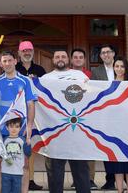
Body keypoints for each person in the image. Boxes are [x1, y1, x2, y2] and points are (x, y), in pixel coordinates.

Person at [0, 50, 36, 193]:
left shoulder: (26, 80)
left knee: (24, 164)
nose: (7, 63)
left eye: (9, 60)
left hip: (21, 129)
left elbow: (31, 104)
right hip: (0, 130)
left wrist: (30, 125)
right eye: (4, 61)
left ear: (15, 61)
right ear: (1, 64)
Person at [41, 50, 90, 193]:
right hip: (55, 134)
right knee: (54, 174)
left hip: (77, 132)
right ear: (53, 60)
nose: (60, 59)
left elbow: (93, 94)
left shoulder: (80, 75)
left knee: (81, 172)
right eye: (57, 57)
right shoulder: (46, 78)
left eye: (63, 56)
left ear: (68, 59)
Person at [102, 57, 128, 193]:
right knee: (117, 163)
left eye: (122, 66)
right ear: (113, 68)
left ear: (126, 68)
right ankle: (120, 190)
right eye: (117, 66)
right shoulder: (109, 85)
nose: (119, 69)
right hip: (115, 130)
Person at [14, 40, 44, 190]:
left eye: (29, 50)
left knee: (29, 146)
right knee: (15, 146)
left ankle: (30, 179)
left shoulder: (40, 70)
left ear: (33, 52)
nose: (27, 53)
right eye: (24, 50)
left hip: (35, 114)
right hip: (16, 114)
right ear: (19, 53)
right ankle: (16, 178)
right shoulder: (13, 69)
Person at [90, 44, 117, 190]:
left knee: (121, 145)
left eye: (108, 52)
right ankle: (110, 179)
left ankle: (125, 179)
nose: (106, 55)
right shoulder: (96, 72)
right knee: (108, 147)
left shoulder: (121, 67)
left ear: (113, 54)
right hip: (104, 114)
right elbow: (94, 92)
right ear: (100, 56)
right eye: (103, 53)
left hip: (120, 114)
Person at [69, 48, 95, 189]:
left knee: (88, 148)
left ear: (84, 60)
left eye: (80, 57)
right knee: (74, 149)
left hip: (86, 116)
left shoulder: (90, 75)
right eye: (75, 57)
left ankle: (90, 179)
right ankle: (76, 180)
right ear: (71, 60)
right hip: (70, 116)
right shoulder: (65, 75)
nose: (78, 59)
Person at [0, 118, 32, 193]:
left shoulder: (23, 140)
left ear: (20, 128)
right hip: (5, 172)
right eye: (11, 126)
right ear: (7, 127)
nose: (14, 129)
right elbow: (0, 155)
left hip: (18, 173)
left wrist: (28, 144)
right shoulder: (3, 141)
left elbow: (28, 154)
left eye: (17, 126)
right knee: (5, 190)